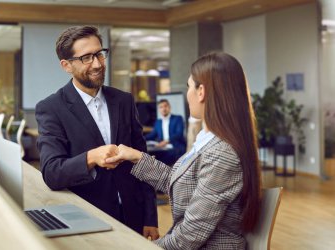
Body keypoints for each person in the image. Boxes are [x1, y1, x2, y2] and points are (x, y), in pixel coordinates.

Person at [106, 52, 261, 249]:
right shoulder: (210, 140)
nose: (187, 94)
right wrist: (136, 157)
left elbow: (189, 236)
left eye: (189, 86)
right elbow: (181, 184)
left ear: (201, 91)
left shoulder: (222, 154)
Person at [35, 26, 159, 239]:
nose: (98, 63)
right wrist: (91, 157)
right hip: (88, 218)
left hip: (133, 215)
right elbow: (52, 173)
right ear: (66, 65)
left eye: (100, 54)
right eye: (86, 58)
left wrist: (150, 217)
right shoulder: (51, 108)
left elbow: (142, 160)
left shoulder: (124, 101)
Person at [145, 99, 186, 165]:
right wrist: (141, 138)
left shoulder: (178, 118)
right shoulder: (158, 122)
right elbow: (152, 135)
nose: (163, 109)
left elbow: (179, 134)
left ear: (169, 107)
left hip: (175, 147)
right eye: (161, 107)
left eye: (165, 106)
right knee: (149, 156)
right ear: (159, 110)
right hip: (162, 148)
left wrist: (166, 141)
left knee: (161, 160)